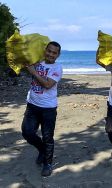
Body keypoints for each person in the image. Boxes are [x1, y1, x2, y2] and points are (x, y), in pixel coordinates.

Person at [21, 41, 63, 176]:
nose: (51, 54)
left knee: (47, 137)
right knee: (27, 132)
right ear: (45, 50)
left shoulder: (57, 68)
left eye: (54, 53)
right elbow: (23, 61)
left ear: (58, 55)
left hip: (48, 109)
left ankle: (48, 163)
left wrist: (33, 72)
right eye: (49, 51)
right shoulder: (37, 62)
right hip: (32, 105)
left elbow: (47, 84)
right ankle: (42, 150)